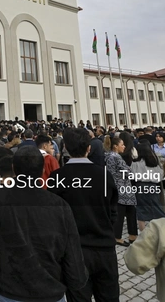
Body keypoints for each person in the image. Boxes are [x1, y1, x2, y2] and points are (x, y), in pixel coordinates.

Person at [0, 146, 88, 302]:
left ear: (14, 169)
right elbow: (73, 255)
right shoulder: (60, 205)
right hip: (47, 290)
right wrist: (75, 281)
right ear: (43, 170)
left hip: (10, 290)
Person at [48, 128, 119, 302]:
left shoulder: (57, 177)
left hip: (73, 251)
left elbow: (53, 218)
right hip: (103, 247)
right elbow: (113, 211)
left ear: (64, 147)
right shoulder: (104, 175)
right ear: (89, 148)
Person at [105, 136, 137, 246]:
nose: (124, 146)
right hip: (122, 187)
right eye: (122, 144)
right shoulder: (116, 157)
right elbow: (128, 172)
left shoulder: (108, 155)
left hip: (117, 186)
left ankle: (131, 235)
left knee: (127, 211)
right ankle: (120, 236)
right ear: (115, 146)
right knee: (124, 212)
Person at [132, 143, 165, 230]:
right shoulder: (154, 161)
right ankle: (161, 228)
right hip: (153, 185)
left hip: (140, 185)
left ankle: (143, 232)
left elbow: (132, 174)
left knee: (141, 210)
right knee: (157, 207)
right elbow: (161, 175)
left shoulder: (135, 162)